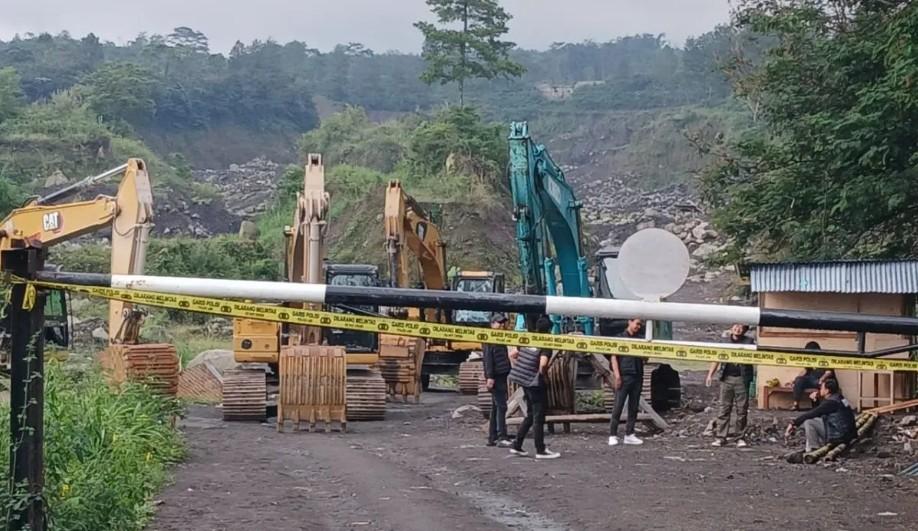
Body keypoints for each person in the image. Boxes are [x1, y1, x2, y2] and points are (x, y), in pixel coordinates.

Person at [508, 315, 560, 459]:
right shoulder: (545, 343)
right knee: (538, 416)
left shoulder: (530, 338)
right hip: (535, 383)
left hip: (524, 381)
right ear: (549, 330)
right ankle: (540, 449)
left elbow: (513, 354)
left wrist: (522, 365)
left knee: (530, 414)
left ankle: (517, 445)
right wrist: (541, 375)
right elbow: (543, 364)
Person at [706, 324, 755, 448]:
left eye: (741, 327)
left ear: (744, 330)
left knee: (742, 410)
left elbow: (756, 357)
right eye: (736, 326)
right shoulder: (724, 342)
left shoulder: (749, 342)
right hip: (726, 378)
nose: (738, 329)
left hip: (742, 379)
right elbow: (716, 358)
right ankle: (721, 437)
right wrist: (710, 375)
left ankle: (740, 437)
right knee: (724, 409)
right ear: (731, 327)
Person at [784, 378, 856, 452]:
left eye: (821, 388)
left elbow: (813, 413)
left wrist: (794, 423)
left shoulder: (831, 402)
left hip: (838, 436)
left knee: (809, 422)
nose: (820, 390)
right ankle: (810, 448)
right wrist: (815, 401)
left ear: (827, 390)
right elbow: (819, 412)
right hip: (846, 433)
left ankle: (813, 448)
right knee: (813, 420)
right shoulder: (839, 398)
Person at [608, 318, 646, 446]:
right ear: (630, 322)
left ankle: (630, 433)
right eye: (637, 323)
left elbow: (646, 358)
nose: (638, 327)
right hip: (625, 375)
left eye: (640, 325)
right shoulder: (620, 338)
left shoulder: (640, 339)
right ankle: (613, 434)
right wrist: (617, 376)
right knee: (618, 405)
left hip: (637, 375)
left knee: (633, 406)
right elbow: (614, 357)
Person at [482, 312, 513, 448]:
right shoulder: (489, 338)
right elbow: (488, 359)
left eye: (502, 323)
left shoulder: (500, 337)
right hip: (496, 376)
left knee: (496, 407)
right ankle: (502, 436)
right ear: (492, 324)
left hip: (502, 374)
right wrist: (490, 377)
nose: (501, 325)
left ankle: (492, 437)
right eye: (499, 323)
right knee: (502, 406)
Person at [792, 341, 835, 410]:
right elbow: (805, 371)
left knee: (824, 384)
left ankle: (819, 406)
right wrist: (794, 381)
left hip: (821, 380)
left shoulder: (825, 358)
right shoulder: (810, 358)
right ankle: (796, 404)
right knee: (799, 380)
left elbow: (828, 372)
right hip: (811, 380)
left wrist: (822, 379)